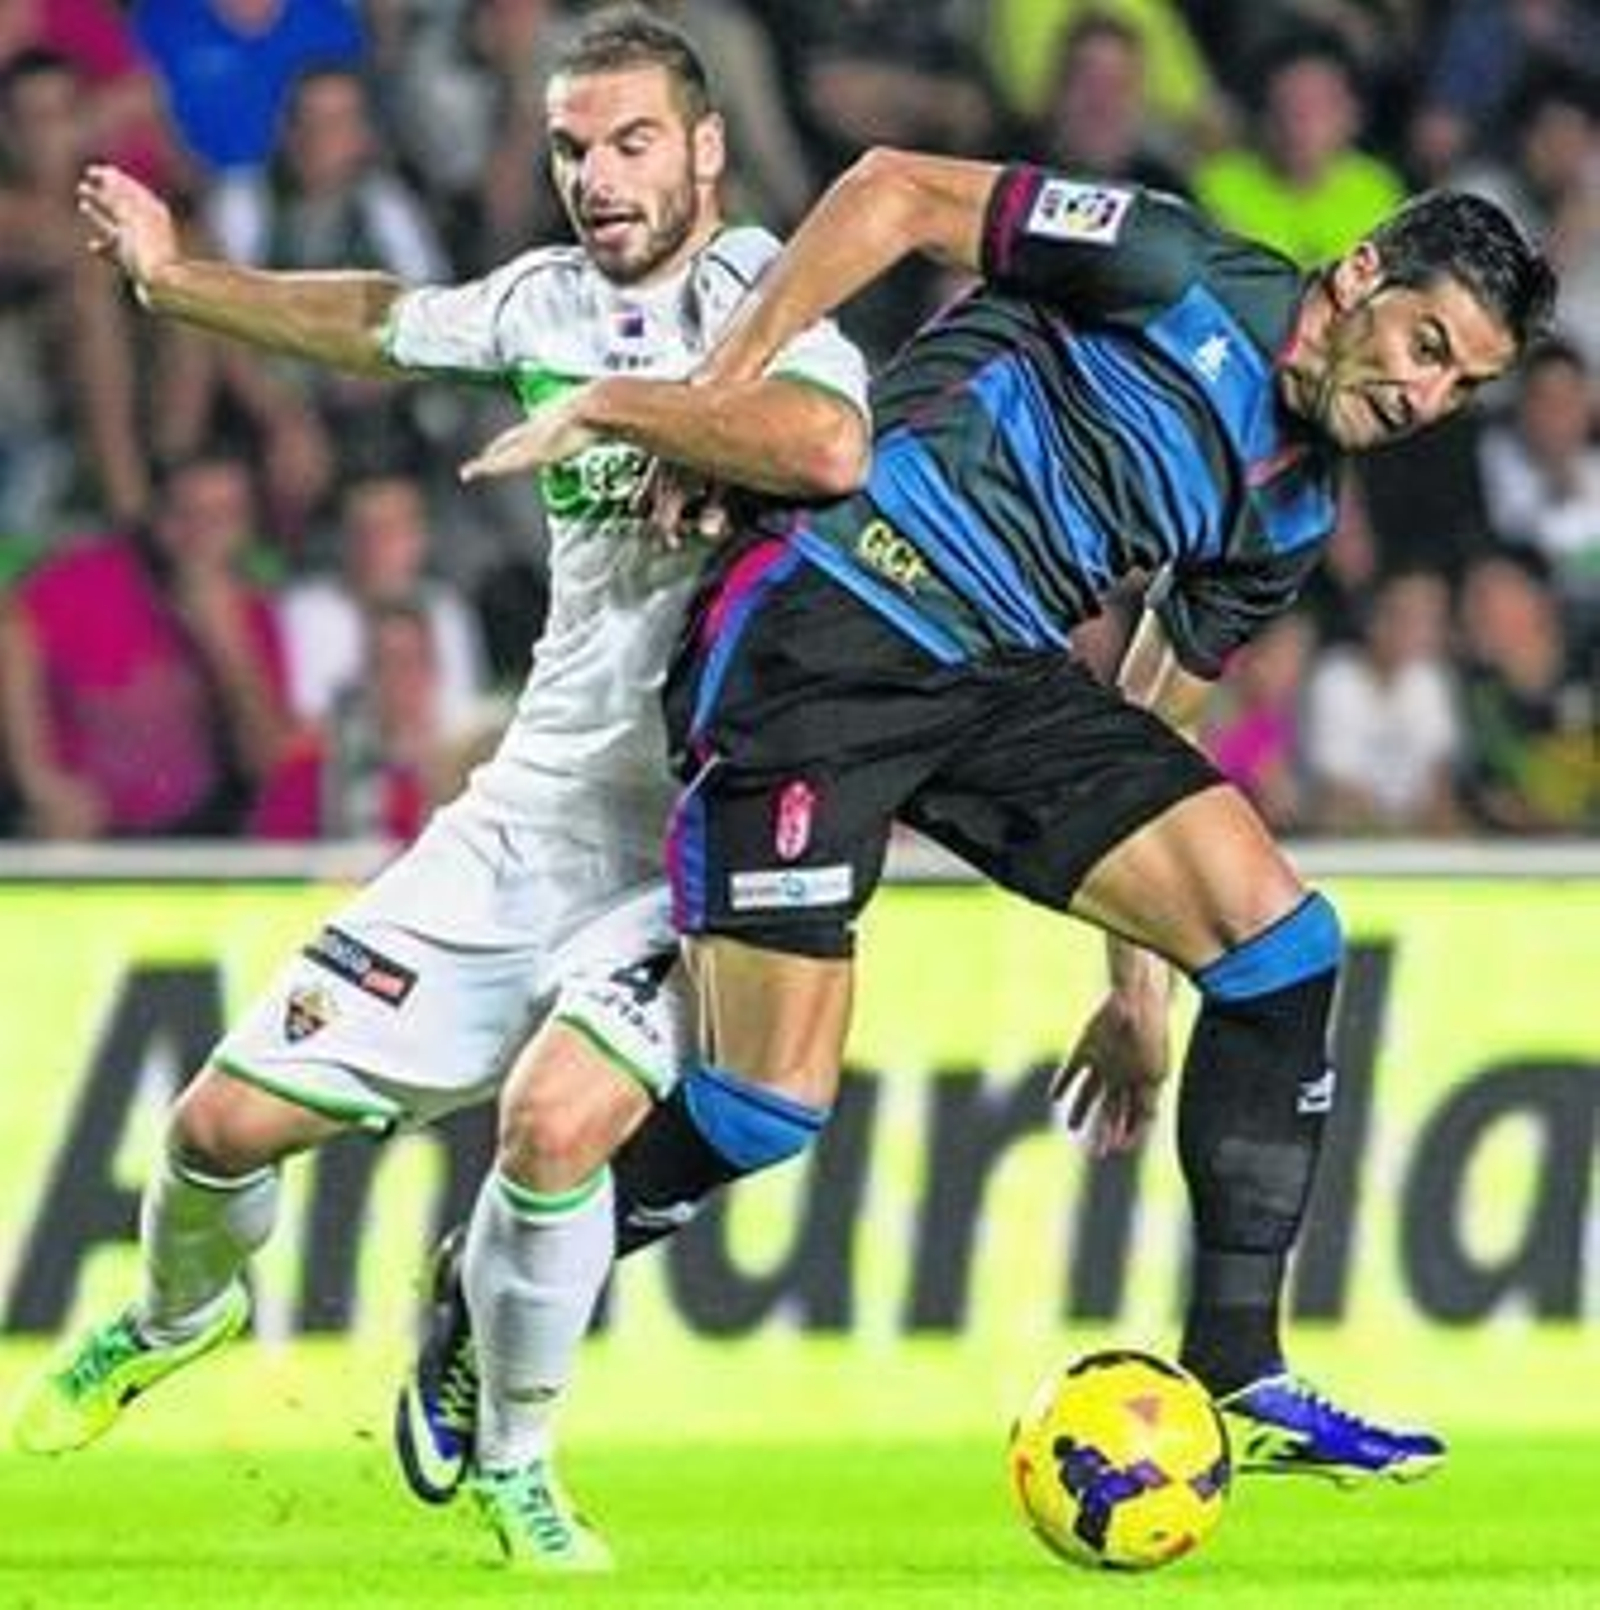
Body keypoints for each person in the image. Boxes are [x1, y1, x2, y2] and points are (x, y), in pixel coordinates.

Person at [459, 149, 1555, 1484]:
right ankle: (482, 1287)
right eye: (1428, 344)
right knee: (761, 1107)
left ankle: (1237, 1366)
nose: (1425, 394)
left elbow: (1153, 717)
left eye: (1464, 385)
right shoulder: (1170, 263)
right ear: (1364, 271)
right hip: (837, 608)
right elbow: (891, 192)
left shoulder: (1292, 505)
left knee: (1280, 949)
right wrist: (720, 396)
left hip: (998, 679)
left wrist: (1140, 989)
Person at [11, 7, 870, 1573]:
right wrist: (175, 277)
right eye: (570, 150)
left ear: (706, 148)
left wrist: (633, 412)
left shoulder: (769, 295)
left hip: (693, 835)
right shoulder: (543, 299)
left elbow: (824, 446)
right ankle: (171, 1312)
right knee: (216, 1125)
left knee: (551, 1131)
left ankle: (521, 1465)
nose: (598, 180)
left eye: (629, 144)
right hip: (526, 814)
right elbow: (376, 315)